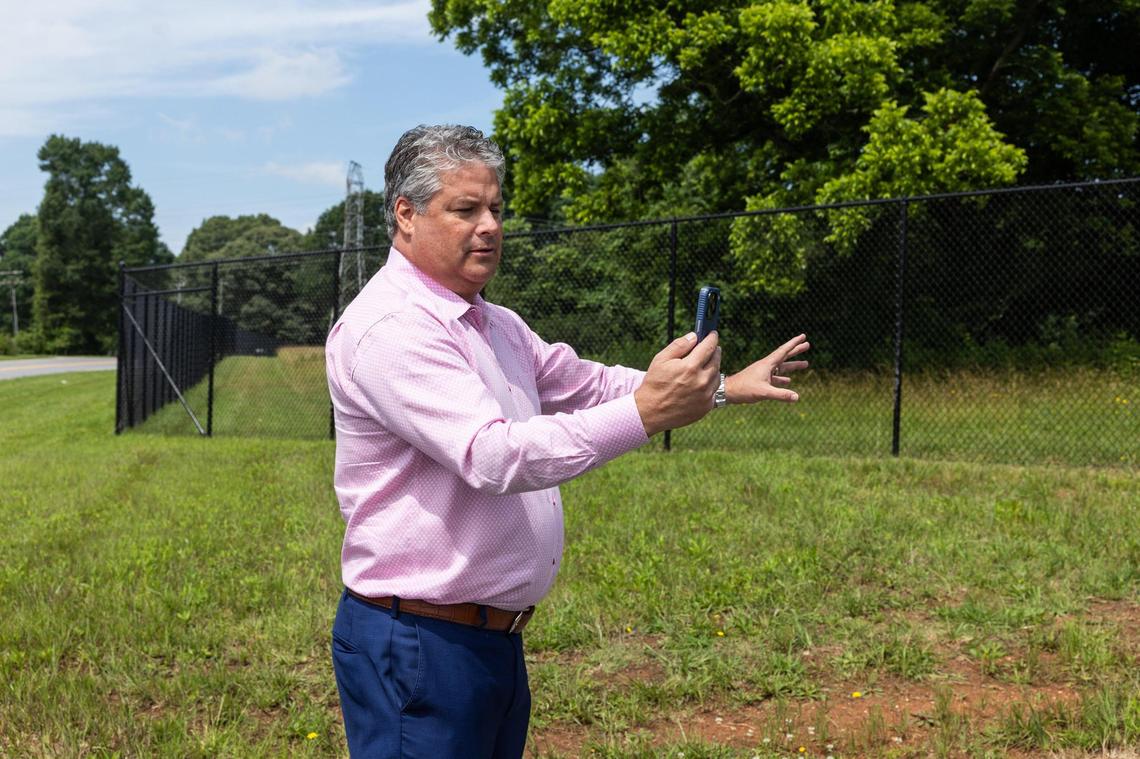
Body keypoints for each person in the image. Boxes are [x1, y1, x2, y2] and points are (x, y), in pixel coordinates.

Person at [325, 124, 810, 758]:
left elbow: (585, 383)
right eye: (465, 209)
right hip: (417, 642)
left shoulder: (493, 321)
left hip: (484, 641)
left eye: (496, 208)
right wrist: (648, 413)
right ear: (406, 215)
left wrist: (718, 389)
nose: (490, 226)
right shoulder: (391, 329)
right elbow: (492, 455)